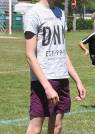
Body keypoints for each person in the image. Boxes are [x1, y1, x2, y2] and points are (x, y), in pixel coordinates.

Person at [23, 0, 86, 134]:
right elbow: (30, 55)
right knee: (35, 128)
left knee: (57, 126)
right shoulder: (33, 13)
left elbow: (62, 52)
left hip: (62, 78)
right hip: (43, 80)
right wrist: (47, 87)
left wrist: (78, 80)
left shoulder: (60, 13)